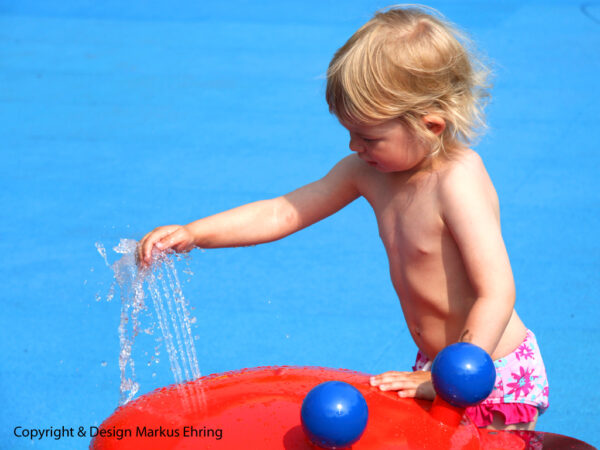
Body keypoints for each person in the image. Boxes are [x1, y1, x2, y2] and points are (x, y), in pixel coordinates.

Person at [138, 5, 548, 430]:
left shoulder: (457, 180)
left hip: (486, 369)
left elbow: (496, 291)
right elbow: (284, 211)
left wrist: (452, 377)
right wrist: (195, 233)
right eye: (349, 133)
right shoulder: (367, 173)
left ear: (431, 125)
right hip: (438, 366)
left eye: (369, 136)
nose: (354, 146)